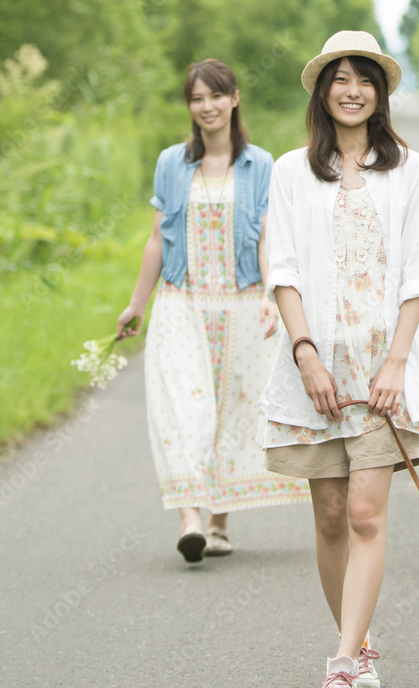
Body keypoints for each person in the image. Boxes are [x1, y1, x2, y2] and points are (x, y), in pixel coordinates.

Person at [259, 30, 419, 688]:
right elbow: (280, 268)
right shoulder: (290, 171)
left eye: (363, 77)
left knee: (367, 512)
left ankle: (340, 665)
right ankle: (360, 639)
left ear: (381, 91)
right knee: (332, 515)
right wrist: (304, 352)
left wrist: (397, 360)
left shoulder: (410, 170)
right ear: (321, 89)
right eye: (338, 77)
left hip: (383, 372)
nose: (351, 89)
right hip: (316, 366)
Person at [117, 59, 310, 563]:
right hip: (182, 302)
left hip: (243, 304)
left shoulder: (261, 164)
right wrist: (137, 304)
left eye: (215, 96)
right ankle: (190, 521)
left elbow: (270, 238)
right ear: (190, 106)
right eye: (197, 98)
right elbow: (157, 239)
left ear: (235, 98)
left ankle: (220, 523)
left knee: (235, 410)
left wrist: (272, 297)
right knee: (186, 408)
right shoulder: (171, 162)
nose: (207, 107)